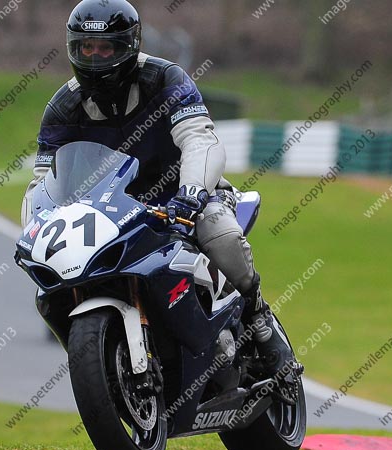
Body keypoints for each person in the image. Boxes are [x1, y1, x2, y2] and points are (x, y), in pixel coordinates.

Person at [22, 0, 292, 377]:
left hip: (187, 194)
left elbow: (200, 138)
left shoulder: (165, 79)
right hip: (114, 210)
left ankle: (259, 319)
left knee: (219, 232)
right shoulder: (63, 107)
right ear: (74, 48)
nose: (97, 58)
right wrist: (37, 223)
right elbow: (43, 180)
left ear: (129, 46)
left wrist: (193, 192)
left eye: (107, 48)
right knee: (53, 287)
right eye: (87, 48)